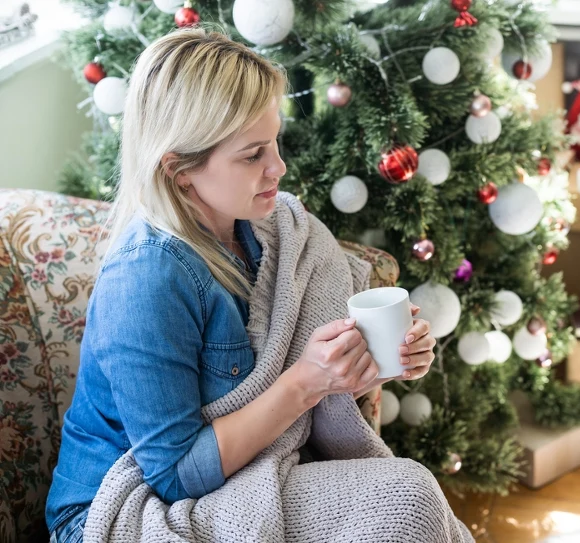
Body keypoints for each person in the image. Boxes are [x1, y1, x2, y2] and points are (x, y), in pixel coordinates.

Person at [46, 27, 442, 542]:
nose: (278, 167)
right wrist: (307, 381)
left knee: (407, 497)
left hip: (244, 470)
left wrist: (368, 365)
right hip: (121, 510)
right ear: (180, 169)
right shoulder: (145, 279)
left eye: (273, 141)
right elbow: (174, 474)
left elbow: (287, 374)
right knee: (405, 499)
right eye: (252, 154)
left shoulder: (273, 234)